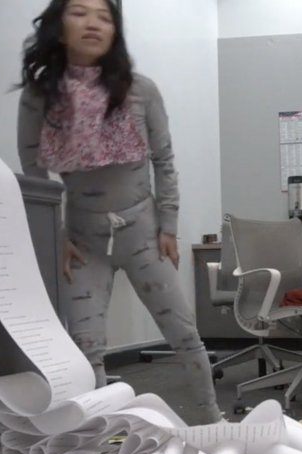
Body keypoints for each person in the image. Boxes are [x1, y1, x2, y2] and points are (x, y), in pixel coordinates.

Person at [16, 0, 221, 424]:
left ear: (115, 30)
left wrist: (168, 225)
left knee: (183, 333)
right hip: (82, 241)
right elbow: (33, 173)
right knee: (86, 346)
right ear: (58, 26)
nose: (93, 23)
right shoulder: (40, 95)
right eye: (79, 12)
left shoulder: (140, 90)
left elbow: (164, 160)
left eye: (104, 16)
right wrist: (56, 235)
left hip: (143, 233)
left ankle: (213, 421)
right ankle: (96, 437)